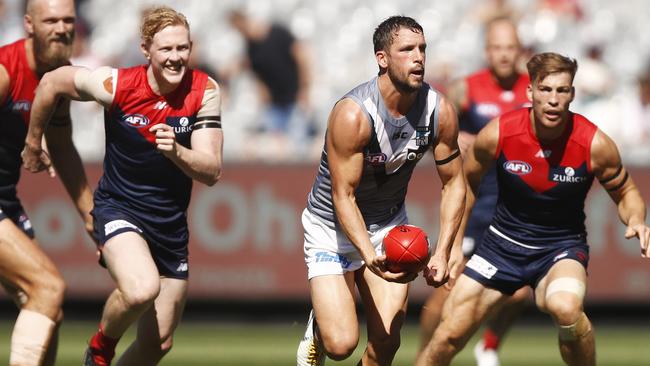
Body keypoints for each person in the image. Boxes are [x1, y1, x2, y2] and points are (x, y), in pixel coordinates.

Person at [416, 52, 650, 366]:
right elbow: (465, 184)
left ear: (572, 95)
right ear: (531, 93)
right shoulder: (500, 132)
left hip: (560, 250)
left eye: (562, 91)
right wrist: (454, 246)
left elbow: (626, 192)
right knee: (449, 334)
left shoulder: (593, 143)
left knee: (565, 308)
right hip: (500, 247)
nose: (553, 99)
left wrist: (636, 219)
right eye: (546, 90)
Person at [22, 6, 223, 366]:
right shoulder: (116, 85)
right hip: (119, 210)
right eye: (166, 50)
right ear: (146, 50)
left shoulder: (204, 90)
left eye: (183, 48)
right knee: (141, 289)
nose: (176, 58)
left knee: (158, 344)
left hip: (170, 226)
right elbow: (52, 83)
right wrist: (34, 142)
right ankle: (99, 348)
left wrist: (177, 152)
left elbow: (211, 171)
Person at [296, 16, 466, 366]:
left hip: (388, 224)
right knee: (341, 345)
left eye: (422, 49)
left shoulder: (440, 111)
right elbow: (343, 196)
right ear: (382, 58)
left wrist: (444, 251)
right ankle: (319, 330)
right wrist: (366, 254)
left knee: (386, 345)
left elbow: (454, 183)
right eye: (407, 50)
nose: (418, 57)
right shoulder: (353, 114)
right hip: (333, 228)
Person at [418, 17, 530, 366]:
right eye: (497, 47)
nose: (504, 55)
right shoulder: (466, 89)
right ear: (487, 51)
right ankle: (424, 357)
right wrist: (453, 140)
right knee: (442, 295)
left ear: (520, 50)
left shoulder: (534, 90)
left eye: (510, 47)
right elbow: (433, 131)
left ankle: (490, 346)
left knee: (518, 294)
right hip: (471, 206)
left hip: (512, 212)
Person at [0, 0, 94, 364]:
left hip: (6, 199)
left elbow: (61, 145)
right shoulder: (7, 70)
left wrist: (91, 218)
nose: (61, 28)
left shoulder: (60, 75)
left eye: (68, 20)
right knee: (48, 287)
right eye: (50, 20)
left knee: (49, 313)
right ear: (28, 24)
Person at [227, 8, 314, 159]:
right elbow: (257, 74)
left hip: (295, 99)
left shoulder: (278, 33)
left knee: (298, 148)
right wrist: (262, 94)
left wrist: (304, 88)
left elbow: (301, 57)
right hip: (274, 104)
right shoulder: (250, 48)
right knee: (275, 150)